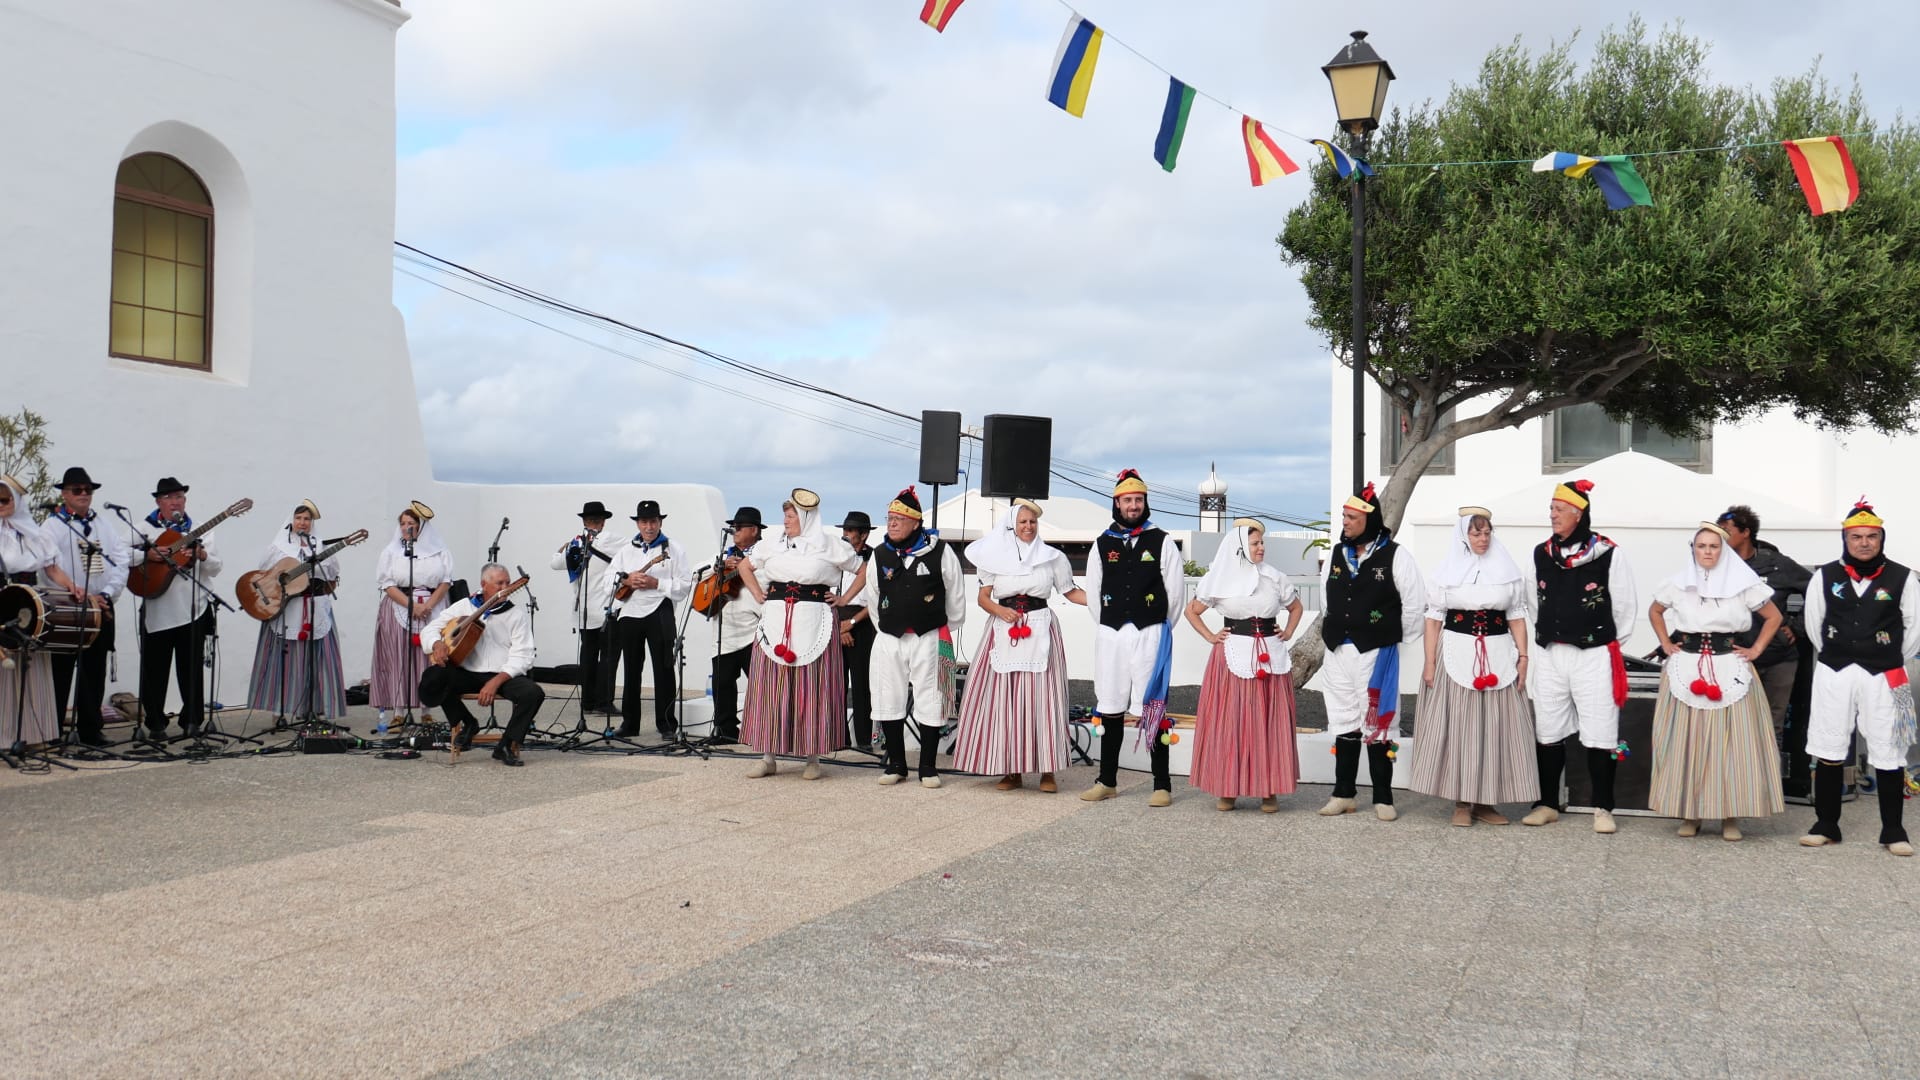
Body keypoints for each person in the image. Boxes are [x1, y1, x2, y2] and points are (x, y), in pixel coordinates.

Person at [1646, 521, 1786, 840]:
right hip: (1687, 665)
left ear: (1723, 550)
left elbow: (1774, 617)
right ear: (1693, 550)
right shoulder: (1678, 584)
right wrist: (1666, 643)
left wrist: (1756, 649)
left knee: (1732, 743)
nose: (1707, 552)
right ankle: (1690, 813)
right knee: (1688, 740)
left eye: (1714, 546)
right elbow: (1655, 611)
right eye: (1701, 546)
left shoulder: (1743, 583)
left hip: (1729, 666)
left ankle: (1729, 815)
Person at [1799, 498, 1920, 856]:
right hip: (1835, 669)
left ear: (1881, 539)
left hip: (1884, 673)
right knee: (1829, 744)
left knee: (1888, 746)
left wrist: (1887, 656)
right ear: (1845, 539)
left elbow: (1913, 627)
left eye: (1871, 537)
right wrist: (1839, 653)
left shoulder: (1904, 576)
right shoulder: (1825, 575)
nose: (1864, 543)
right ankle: (1826, 824)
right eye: (1857, 537)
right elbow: (1814, 624)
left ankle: (1894, 831)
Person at [1409, 507, 1539, 826]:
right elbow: (1433, 620)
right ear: (1463, 537)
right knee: (1461, 727)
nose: (1482, 539)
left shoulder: (1508, 574)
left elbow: (1517, 616)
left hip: (1498, 653)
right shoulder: (1445, 574)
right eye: (1475, 533)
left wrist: (1524, 656)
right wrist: (1428, 664)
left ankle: (1486, 802)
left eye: (1486, 532)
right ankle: (1462, 802)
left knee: (1495, 727)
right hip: (1456, 652)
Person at [1523, 480, 1638, 834]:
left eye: (1559, 509)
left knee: (1601, 728)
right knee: (1548, 726)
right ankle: (1547, 803)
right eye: (1551, 509)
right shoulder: (1541, 553)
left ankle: (1603, 807)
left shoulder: (1607, 553)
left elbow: (1625, 607)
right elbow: (1531, 600)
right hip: (1551, 653)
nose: (1552, 515)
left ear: (1578, 513)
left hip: (1593, 654)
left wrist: (1599, 640)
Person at [952, 499, 1087, 793]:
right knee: (1006, 700)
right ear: (1013, 525)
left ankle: (1047, 770)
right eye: (1023, 522)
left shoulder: (1053, 558)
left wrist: (1105, 602)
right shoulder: (993, 558)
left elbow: (1071, 591)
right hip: (1003, 628)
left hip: (1041, 625)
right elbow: (984, 598)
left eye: (1033, 522)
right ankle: (1011, 770)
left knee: (1044, 699)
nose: (1028, 527)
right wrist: (1000, 611)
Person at [734, 489, 863, 779]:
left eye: (791, 515)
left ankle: (813, 757)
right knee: (771, 686)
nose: (786, 520)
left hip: (814, 618)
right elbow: (745, 565)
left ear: (806, 517)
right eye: (785, 515)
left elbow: (863, 568)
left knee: (813, 686)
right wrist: (757, 592)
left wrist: (843, 599)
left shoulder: (829, 545)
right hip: (776, 619)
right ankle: (767, 756)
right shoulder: (772, 544)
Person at [1317, 481, 1424, 821]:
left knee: (1377, 722)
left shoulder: (1395, 555)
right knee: (1344, 718)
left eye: (1351, 517)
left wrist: (1389, 637)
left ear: (1369, 519)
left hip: (1374, 652)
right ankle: (1344, 793)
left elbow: (1415, 605)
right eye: (1344, 516)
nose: (1345, 522)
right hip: (1338, 652)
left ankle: (1383, 797)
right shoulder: (1336, 554)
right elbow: (1325, 600)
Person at [1183, 518, 1303, 812]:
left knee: (1268, 721)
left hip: (1269, 655)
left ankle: (1268, 789)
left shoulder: (1274, 576)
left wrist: (1287, 633)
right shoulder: (1219, 578)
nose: (1261, 548)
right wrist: (1212, 636)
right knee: (1232, 720)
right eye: (1255, 543)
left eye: (1262, 543)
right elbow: (1192, 611)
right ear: (1240, 547)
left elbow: (1295, 607)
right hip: (1233, 654)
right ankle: (1228, 787)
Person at [1081, 469, 1186, 806]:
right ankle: (1107, 780)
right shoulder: (1102, 543)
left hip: (1150, 633)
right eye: (1128, 500)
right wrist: (1108, 624)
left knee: (1152, 706)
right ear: (1117, 503)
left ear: (1145, 503)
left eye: (1138, 500)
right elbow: (1094, 591)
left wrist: (1158, 625)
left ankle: (1162, 785)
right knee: (1110, 705)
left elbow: (1176, 591)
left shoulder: (1162, 540)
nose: (1133, 505)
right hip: (1112, 634)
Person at [859, 486, 966, 788]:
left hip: (929, 636)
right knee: (887, 695)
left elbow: (956, 599)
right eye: (890, 518)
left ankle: (928, 767)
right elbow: (873, 597)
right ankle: (896, 764)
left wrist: (938, 626)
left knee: (931, 697)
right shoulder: (879, 555)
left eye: (898, 519)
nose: (891, 523)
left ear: (916, 522)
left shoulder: (941, 552)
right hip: (890, 636)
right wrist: (888, 628)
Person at [1717, 504, 1814, 794]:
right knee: (1731, 722)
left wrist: (1794, 626)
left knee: (1771, 723)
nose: (1720, 537)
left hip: (1778, 658)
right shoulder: (1714, 564)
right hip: (1734, 656)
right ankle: (1731, 787)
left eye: (1726, 531)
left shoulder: (1777, 564)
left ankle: (1765, 790)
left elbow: (1818, 592)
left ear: (1745, 533)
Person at [420, 563, 544, 767]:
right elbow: (431, 628)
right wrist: (437, 643)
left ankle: (506, 744)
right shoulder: (464, 607)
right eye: (499, 583)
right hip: (467, 672)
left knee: (533, 693)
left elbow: (523, 655)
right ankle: (468, 723)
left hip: (501, 674)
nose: (505, 586)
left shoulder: (516, 615)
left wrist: (496, 681)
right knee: (433, 678)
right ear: (483, 585)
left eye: (507, 582)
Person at [40, 466, 129, 746]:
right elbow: (46, 566)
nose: (83, 495)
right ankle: (52, 730)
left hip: (99, 605)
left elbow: (120, 560)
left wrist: (106, 592)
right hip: (66, 607)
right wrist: (70, 592)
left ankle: (91, 729)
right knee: (60, 670)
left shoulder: (103, 525)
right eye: (77, 490)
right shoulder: (52, 525)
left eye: (87, 490)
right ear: (64, 494)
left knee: (94, 669)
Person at [132, 477, 224, 740]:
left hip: (193, 608)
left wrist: (203, 555)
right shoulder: (142, 529)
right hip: (157, 609)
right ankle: (155, 723)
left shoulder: (200, 530)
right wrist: (147, 555)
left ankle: (192, 720)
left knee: (191, 668)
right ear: (159, 502)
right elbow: (119, 555)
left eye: (180, 497)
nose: (176, 502)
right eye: (170, 498)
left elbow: (216, 568)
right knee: (155, 670)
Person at [247, 500, 347, 719]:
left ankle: (316, 707)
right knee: (285, 658)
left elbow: (332, 578)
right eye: (299, 518)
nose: (302, 523)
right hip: (286, 609)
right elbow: (263, 577)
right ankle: (280, 709)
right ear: (291, 521)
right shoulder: (278, 548)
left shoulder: (320, 547)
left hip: (315, 606)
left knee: (317, 658)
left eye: (307, 519)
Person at [1, 473, 81, 748]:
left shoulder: (35, 534)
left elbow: (52, 569)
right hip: (3, 601)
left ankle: (33, 736)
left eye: (5, 499)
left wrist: (71, 586)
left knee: (32, 667)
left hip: (30, 606)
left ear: (17, 501)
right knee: (4, 669)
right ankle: (4, 736)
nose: (1, 504)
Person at [601, 500, 692, 739]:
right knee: (631, 669)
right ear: (638, 523)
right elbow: (607, 578)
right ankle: (630, 724)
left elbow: (684, 586)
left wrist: (657, 583)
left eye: (653, 521)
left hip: (659, 611)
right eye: (644, 522)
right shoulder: (626, 550)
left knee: (664, 669)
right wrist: (625, 580)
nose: (649, 526)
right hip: (630, 612)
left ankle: (667, 725)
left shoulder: (674, 549)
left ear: (660, 522)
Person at [370, 501, 451, 731]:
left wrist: (428, 605)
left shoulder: (440, 551)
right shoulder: (392, 552)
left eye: (412, 523)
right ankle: (398, 710)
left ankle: (427, 709)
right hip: (399, 605)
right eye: (403, 524)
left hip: (431, 605)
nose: (407, 527)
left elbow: (446, 581)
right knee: (398, 656)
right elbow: (387, 583)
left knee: (428, 657)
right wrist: (411, 605)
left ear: (421, 526)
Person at [551, 501, 622, 716]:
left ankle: (588, 702)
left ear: (584, 521)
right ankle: (604, 701)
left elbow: (555, 563)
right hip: (606, 609)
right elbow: (634, 547)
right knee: (608, 657)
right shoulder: (611, 540)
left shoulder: (575, 544)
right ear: (604, 521)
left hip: (583, 611)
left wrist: (563, 546)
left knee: (588, 656)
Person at [706, 506, 764, 744]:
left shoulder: (765, 554)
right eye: (734, 527)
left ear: (754, 530)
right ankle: (726, 730)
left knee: (762, 686)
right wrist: (719, 565)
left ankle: (763, 731)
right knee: (722, 684)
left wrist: (744, 568)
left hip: (754, 628)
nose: (735, 531)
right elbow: (696, 572)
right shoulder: (723, 553)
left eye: (740, 527)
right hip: (725, 629)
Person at [832, 509, 877, 753]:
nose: (847, 535)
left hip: (862, 621)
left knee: (862, 685)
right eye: (845, 530)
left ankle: (864, 740)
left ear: (864, 535)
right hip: (836, 622)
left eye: (851, 531)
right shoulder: (836, 559)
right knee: (837, 684)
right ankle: (839, 737)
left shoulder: (875, 559)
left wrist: (852, 624)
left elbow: (876, 600)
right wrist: (839, 627)